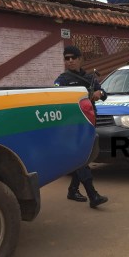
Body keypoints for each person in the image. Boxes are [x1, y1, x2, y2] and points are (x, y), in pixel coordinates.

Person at [54, 45, 108, 209]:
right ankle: (93, 195)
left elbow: (104, 94)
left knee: (85, 156)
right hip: (72, 124)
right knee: (81, 157)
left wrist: (99, 94)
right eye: (66, 58)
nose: (69, 61)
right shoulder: (62, 79)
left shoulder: (90, 77)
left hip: (89, 121)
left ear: (80, 59)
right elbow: (56, 97)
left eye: (73, 58)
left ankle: (72, 190)